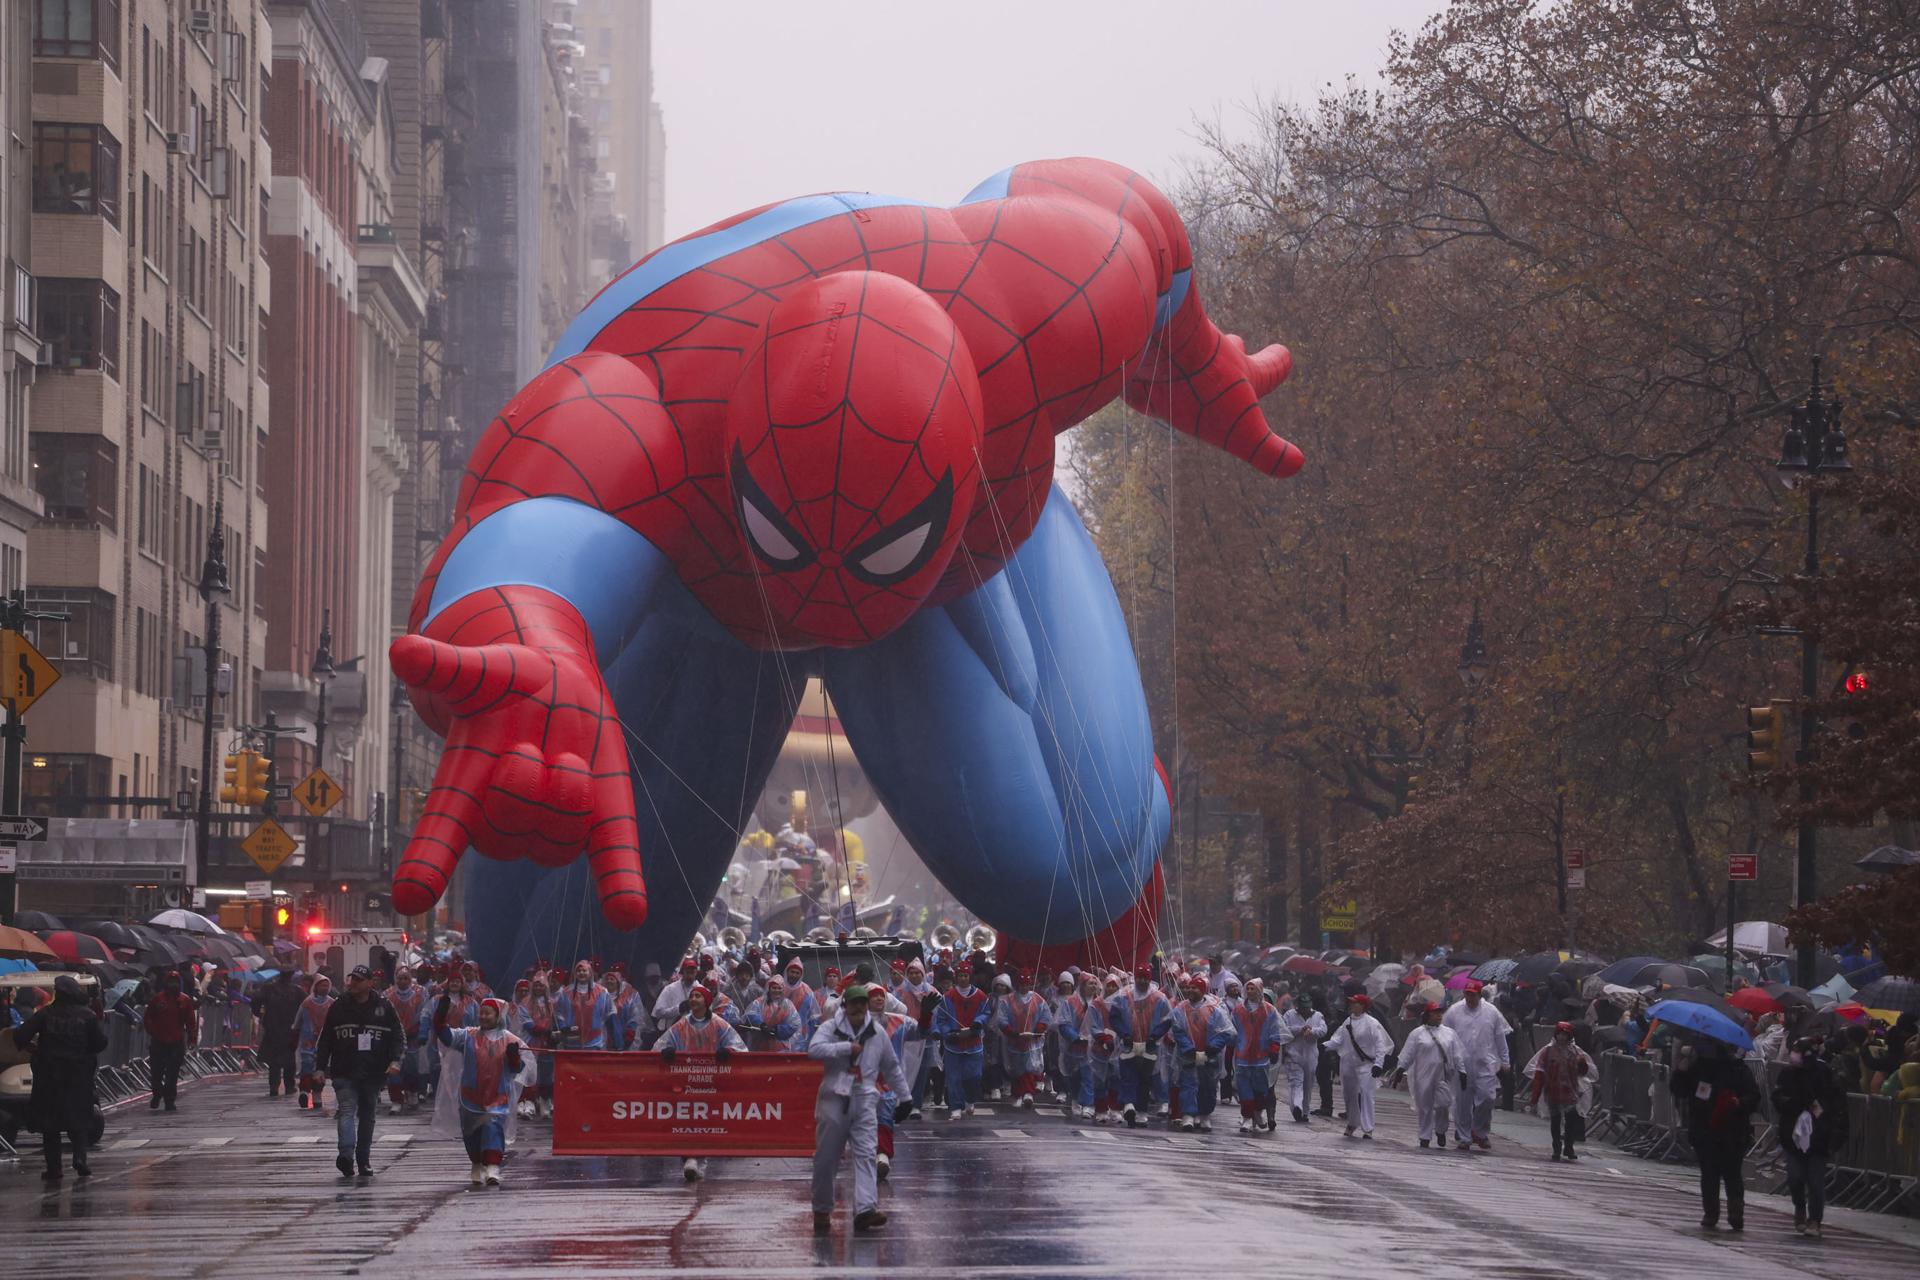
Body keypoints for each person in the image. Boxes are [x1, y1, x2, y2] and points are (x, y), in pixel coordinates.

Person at [808, 983, 907, 1234]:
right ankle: (821, 1209)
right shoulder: (831, 1028)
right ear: (845, 1005)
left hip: (864, 1100)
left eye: (863, 1003)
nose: (859, 1008)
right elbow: (814, 1050)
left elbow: (892, 1066)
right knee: (826, 1159)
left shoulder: (877, 1032)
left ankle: (865, 1209)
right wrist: (844, 1048)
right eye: (854, 1003)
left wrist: (905, 1098)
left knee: (865, 1154)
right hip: (834, 1100)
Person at [313, 965, 406, 1178]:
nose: (353, 983)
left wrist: (395, 1061)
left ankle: (363, 1159)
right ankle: (346, 1155)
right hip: (344, 1070)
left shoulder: (384, 1006)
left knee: (367, 1115)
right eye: (352, 979)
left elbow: (398, 1037)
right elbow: (325, 1038)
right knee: (346, 1109)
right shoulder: (339, 1006)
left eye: (359, 979)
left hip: (373, 1071)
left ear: (370, 983)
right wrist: (319, 1067)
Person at [14, 974, 106, 1181]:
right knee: (79, 1119)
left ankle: (54, 1168)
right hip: (78, 1075)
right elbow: (100, 1043)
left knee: (51, 1124)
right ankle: (80, 1158)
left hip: (49, 1076)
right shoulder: (88, 1016)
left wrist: (33, 1049)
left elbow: (21, 1035)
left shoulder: (45, 1014)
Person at [434, 995, 530, 1187]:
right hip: (471, 1097)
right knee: (472, 1134)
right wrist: (440, 1015)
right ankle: (477, 1163)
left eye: (488, 1013)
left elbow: (518, 1069)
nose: (483, 1017)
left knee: (493, 1129)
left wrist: (513, 1057)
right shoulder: (468, 1035)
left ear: (497, 1016)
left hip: (497, 1096)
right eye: (482, 1013)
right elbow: (445, 1036)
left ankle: (493, 1167)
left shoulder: (510, 1040)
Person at [657, 983, 748, 1182]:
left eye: (698, 996)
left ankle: (699, 1160)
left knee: (706, 1122)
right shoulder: (681, 1024)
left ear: (706, 1002)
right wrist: (668, 1051)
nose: (693, 999)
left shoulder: (719, 1024)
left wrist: (728, 1052)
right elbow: (660, 1046)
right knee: (686, 1120)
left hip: (711, 1082)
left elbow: (740, 1048)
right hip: (685, 1080)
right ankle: (689, 1158)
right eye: (692, 996)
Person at [1669, 1038, 1761, 1231]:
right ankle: (1711, 1212)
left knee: (1732, 1173)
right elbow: (1679, 1090)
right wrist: (1681, 1071)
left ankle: (1735, 1211)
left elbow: (1753, 1097)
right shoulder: (1698, 1068)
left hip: (1732, 1131)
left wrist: (1738, 1102)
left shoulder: (1738, 1069)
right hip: (1704, 1129)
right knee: (1709, 1174)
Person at [1772, 1036, 1844, 1237]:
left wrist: (1835, 1132)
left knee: (1815, 1182)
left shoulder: (1824, 1073)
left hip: (1819, 1136)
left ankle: (1815, 1220)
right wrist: (1790, 1103)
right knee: (1795, 1178)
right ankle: (1799, 1208)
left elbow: (1836, 1103)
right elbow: (1777, 1097)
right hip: (1793, 1135)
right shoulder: (1787, 1073)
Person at [1106, 965, 1184, 1128]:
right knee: (1127, 1075)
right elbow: (1114, 1017)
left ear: (1149, 979)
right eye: (1139, 978)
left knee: (1144, 1079)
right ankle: (1128, 1104)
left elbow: (1167, 1020)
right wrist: (1124, 1034)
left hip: (1150, 1046)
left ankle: (1141, 1111)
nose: (1142, 981)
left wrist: (1155, 1036)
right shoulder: (1123, 996)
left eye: (1145, 978)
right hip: (1128, 1044)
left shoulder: (1159, 998)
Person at [1443, 980, 1511, 1150]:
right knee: (1463, 1102)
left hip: (1485, 1062)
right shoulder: (1454, 1011)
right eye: (1467, 994)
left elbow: (1500, 1038)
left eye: (1473, 995)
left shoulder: (1492, 1012)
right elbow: (1445, 1036)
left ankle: (1480, 1131)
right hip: (1461, 1064)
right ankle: (1464, 1136)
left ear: (1480, 995)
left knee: (1487, 1098)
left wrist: (1505, 1060)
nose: (1470, 998)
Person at [1524, 1021, 1595, 1161]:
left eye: (1565, 1035)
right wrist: (1535, 1097)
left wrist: (1582, 1064)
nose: (1562, 1038)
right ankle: (1556, 1147)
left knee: (1571, 1119)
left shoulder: (1575, 1052)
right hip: (1553, 1090)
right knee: (1555, 1120)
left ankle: (1569, 1146)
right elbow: (1539, 1075)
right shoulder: (1547, 1052)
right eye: (1560, 1034)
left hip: (1570, 1092)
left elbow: (1583, 1073)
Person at [931, 961, 991, 1119]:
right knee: (953, 1077)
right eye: (960, 976)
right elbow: (941, 1020)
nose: (963, 978)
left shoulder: (980, 996)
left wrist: (978, 1022)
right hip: (953, 1045)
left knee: (974, 1076)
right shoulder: (947, 997)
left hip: (974, 1043)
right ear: (956, 977)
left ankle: (970, 1100)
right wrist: (947, 1034)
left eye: (965, 975)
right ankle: (955, 1106)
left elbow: (986, 1013)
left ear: (970, 977)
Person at [1396, 1000, 1459, 1148]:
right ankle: (1425, 1136)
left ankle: (1441, 1130)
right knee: (1425, 1107)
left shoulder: (1449, 1033)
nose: (1438, 1016)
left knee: (1443, 1104)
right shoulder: (1417, 1034)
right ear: (1427, 1015)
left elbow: (1457, 1054)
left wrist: (1461, 1070)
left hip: (1441, 1076)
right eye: (1435, 1013)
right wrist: (1400, 1069)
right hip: (1422, 1076)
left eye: (1440, 1013)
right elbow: (1408, 1053)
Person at [1175, 976, 1234, 1132]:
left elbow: (1226, 1032)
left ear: (1202, 990)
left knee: (1208, 1086)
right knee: (1188, 1084)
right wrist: (1189, 1049)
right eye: (1189, 987)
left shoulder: (1214, 1009)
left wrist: (1212, 1048)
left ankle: (1205, 1114)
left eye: (1195, 988)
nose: (1190, 990)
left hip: (1210, 1056)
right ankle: (1188, 1115)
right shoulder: (1181, 1008)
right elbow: (1177, 1030)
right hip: (1189, 1055)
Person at [1332, 993, 1392, 1139]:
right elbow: (1338, 1038)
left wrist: (1378, 1064)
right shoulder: (1348, 1021)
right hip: (1348, 1064)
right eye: (1351, 1003)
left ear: (1363, 1006)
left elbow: (1380, 1044)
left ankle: (1368, 1128)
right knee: (1349, 1094)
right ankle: (1352, 1122)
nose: (1352, 1005)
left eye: (1355, 1003)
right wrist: (1325, 1045)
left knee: (1367, 1094)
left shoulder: (1372, 1023)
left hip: (1366, 1065)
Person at [1231, 979, 1285, 1133]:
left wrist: (1274, 1049)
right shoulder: (1237, 1011)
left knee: (1261, 1090)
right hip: (1242, 1057)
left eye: (1252, 988)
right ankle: (1247, 1117)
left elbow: (1275, 1032)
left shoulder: (1270, 1011)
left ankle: (1258, 1112)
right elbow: (1231, 1030)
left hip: (1261, 1058)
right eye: (1247, 988)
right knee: (1244, 1089)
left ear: (1259, 990)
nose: (1249, 991)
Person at [994, 969, 1051, 1109]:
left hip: (1032, 1041)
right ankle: (1018, 1093)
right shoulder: (1008, 1000)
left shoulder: (1037, 999)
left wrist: (1039, 1029)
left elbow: (1046, 1016)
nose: (1024, 987)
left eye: (1026, 984)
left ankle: (1028, 1093)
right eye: (1021, 984)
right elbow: (1002, 1019)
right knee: (1016, 1068)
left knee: (1029, 1067)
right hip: (1014, 1040)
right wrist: (1010, 1032)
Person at [143, 968, 198, 1112]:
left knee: (172, 1074)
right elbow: (148, 1017)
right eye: (171, 982)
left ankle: (169, 1100)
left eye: (175, 982)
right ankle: (157, 1094)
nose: (173, 985)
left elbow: (191, 1021)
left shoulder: (185, 1001)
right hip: (159, 1041)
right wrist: (153, 1031)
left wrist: (192, 1038)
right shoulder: (157, 999)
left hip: (176, 1041)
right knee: (156, 1072)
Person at [252, 969, 305, 1098]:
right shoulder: (296, 990)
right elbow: (306, 1004)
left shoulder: (269, 989)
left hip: (274, 1027)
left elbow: (255, 1001)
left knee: (274, 1060)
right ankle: (288, 1086)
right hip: (288, 1028)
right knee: (288, 1059)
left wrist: (260, 1014)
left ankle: (274, 1087)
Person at [386, 967, 429, 1114]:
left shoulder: (420, 993)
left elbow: (424, 1012)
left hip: (413, 1037)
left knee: (412, 1069)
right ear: (395, 979)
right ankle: (396, 1100)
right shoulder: (388, 994)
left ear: (410, 979)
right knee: (394, 1069)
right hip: (394, 1037)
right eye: (400, 978)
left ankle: (412, 1092)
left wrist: (417, 1029)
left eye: (406, 978)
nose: (402, 981)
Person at [1280, 991, 1326, 1124]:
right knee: (1296, 1082)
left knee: (1308, 1084)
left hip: (1311, 1055)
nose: (1305, 1010)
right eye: (1302, 1007)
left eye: (1307, 1007)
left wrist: (1312, 1031)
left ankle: (1305, 1111)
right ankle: (1297, 1107)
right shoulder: (1289, 1015)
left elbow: (1323, 1030)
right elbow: (1284, 1029)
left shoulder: (1318, 1016)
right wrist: (1299, 1029)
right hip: (1293, 1054)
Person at [556, 960, 617, 1050]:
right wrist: (563, 1027)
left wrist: (617, 1040)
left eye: (584, 970)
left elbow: (610, 1014)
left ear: (590, 972)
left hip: (595, 1043)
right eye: (578, 971)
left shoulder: (602, 992)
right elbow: (559, 1013)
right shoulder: (566, 992)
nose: (581, 973)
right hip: (571, 1043)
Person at [295, 975, 336, 1112]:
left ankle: (317, 1095)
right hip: (308, 1039)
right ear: (316, 986)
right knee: (307, 1066)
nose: (324, 988)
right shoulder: (307, 1003)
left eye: (326, 985)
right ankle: (304, 1092)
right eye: (321, 985)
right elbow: (298, 1020)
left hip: (325, 1040)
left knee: (321, 1067)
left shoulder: (332, 1003)